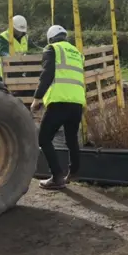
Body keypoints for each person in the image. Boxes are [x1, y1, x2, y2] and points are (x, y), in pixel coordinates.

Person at [31, 25, 86, 190]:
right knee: (71, 139)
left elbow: (47, 74)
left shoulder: (52, 49)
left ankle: (57, 177)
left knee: (44, 139)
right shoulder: (76, 53)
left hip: (59, 101)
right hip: (77, 102)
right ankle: (74, 172)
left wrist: (37, 98)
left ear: (50, 38)